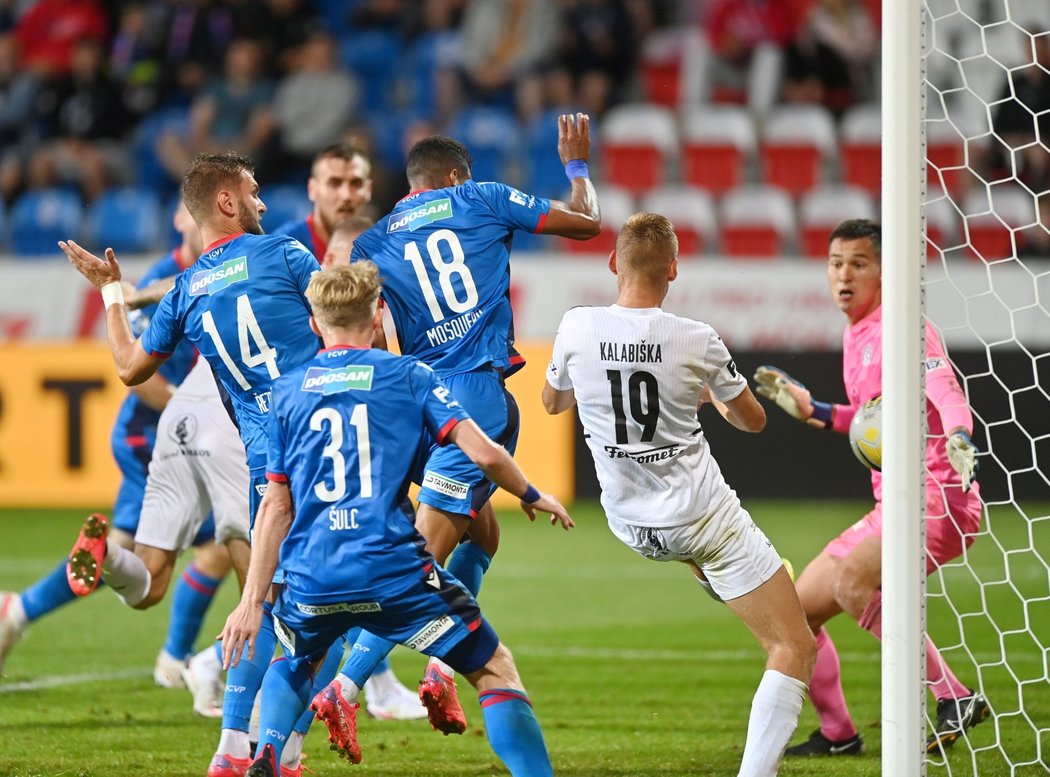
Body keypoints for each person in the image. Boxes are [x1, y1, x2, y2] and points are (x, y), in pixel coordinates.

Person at [219, 262, 574, 777]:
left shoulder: (287, 394)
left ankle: (270, 753)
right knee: (495, 670)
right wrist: (532, 492)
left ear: (315, 325)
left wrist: (251, 602)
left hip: (312, 574)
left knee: (294, 658)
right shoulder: (410, 375)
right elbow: (486, 454)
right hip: (392, 568)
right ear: (378, 315)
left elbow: (276, 506)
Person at [317, 112, 599, 739]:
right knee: (415, 566)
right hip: (474, 396)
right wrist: (576, 168)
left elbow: (365, 333)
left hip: (413, 405)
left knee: (482, 539)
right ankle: (345, 685)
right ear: (452, 176)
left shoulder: (376, 241)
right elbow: (587, 223)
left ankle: (442, 670)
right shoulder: (482, 196)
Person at [59, 152, 326, 777]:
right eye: (254, 193)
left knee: (272, 598)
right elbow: (340, 321)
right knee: (327, 600)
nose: (263, 203)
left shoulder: (185, 289)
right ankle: (271, 745)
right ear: (227, 203)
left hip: (265, 460)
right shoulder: (285, 254)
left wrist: (109, 293)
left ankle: (243, 748)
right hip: (319, 443)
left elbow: (128, 368)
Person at [541, 212, 815, 777]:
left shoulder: (576, 327)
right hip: (699, 520)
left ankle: (723, 580)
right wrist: (702, 395)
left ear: (614, 263)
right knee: (794, 647)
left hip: (628, 523)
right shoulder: (697, 339)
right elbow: (753, 421)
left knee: (693, 548)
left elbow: (551, 403)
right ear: (673, 269)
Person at [752, 218, 987, 756]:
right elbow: (869, 418)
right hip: (894, 504)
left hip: (939, 497)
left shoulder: (904, 326)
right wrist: (816, 410)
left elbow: (943, 387)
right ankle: (838, 734)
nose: (844, 275)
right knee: (798, 613)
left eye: (859, 263)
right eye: (836, 263)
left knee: (853, 583)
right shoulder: (855, 332)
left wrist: (958, 434)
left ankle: (953, 695)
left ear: (884, 271)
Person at [0, 201, 230, 689]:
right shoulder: (168, 276)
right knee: (212, 547)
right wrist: (195, 411)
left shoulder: (216, 270)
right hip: (154, 437)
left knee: (153, 554)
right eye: (194, 213)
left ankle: (17, 612)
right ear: (179, 221)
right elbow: (138, 377)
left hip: (183, 438)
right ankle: (178, 660)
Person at [63, 357, 252, 720]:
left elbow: (131, 365)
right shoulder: (295, 304)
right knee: (261, 589)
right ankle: (249, 724)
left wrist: (115, 300)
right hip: (231, 415)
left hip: (179, 414)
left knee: (147, 586)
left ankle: (110, 556)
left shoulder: (187, 296)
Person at [272, 142, 373, 261]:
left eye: (356, 183)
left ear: (369, 189)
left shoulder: (384, 248)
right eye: (334, 183)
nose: (346, 196)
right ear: (312, 189)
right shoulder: (284, 248)